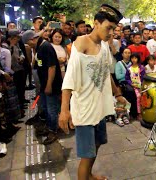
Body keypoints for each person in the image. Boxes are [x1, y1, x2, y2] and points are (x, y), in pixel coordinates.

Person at [58, 4, 127, 180]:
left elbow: (105, 73)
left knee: (96, 146)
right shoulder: (81, 42)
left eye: (114, 29)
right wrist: (64, 110)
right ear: (96, 23)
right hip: (84, 110)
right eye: (108, 28)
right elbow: (69, 79)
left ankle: (89, 175)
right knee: (86, 155)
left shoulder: (103, 46)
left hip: (99, 108)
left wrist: (117, 93)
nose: (111, 33)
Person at [125, 53, 145, 121]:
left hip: (140, 86)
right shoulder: (129, 68)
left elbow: (143, 78)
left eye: (135, 58)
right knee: (136, 96)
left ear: (138, 59)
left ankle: (140, 113)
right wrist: (131, 84)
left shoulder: (141, 68)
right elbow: (127, 78)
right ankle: (133, 113)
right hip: (132, 86)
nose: (134, 60)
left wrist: (141, 85)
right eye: (132, 58)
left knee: (141, 97)